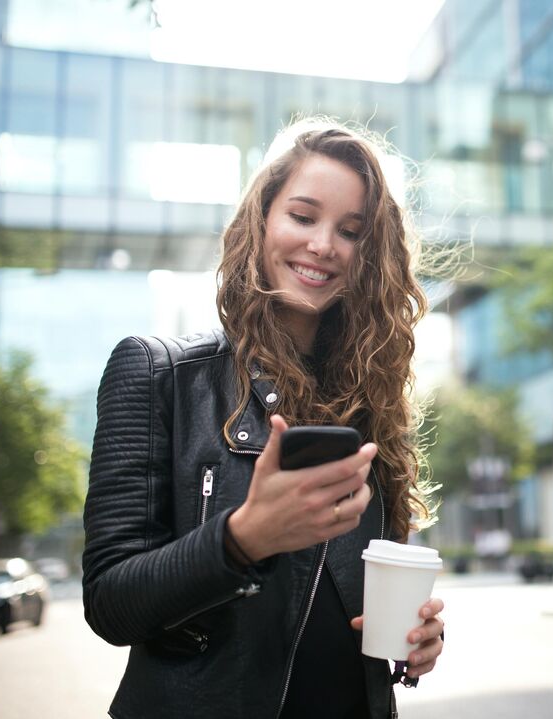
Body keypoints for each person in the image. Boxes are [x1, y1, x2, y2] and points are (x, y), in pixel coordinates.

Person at [82, 117, 445, 719]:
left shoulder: (371, 408)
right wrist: (244, 536)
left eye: (351, 231)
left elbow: (361, 606)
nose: (324, 245)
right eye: (303, 217)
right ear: (261, 220)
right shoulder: (159, 375)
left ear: (370, 255)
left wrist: (415, 642)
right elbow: (111, 604)